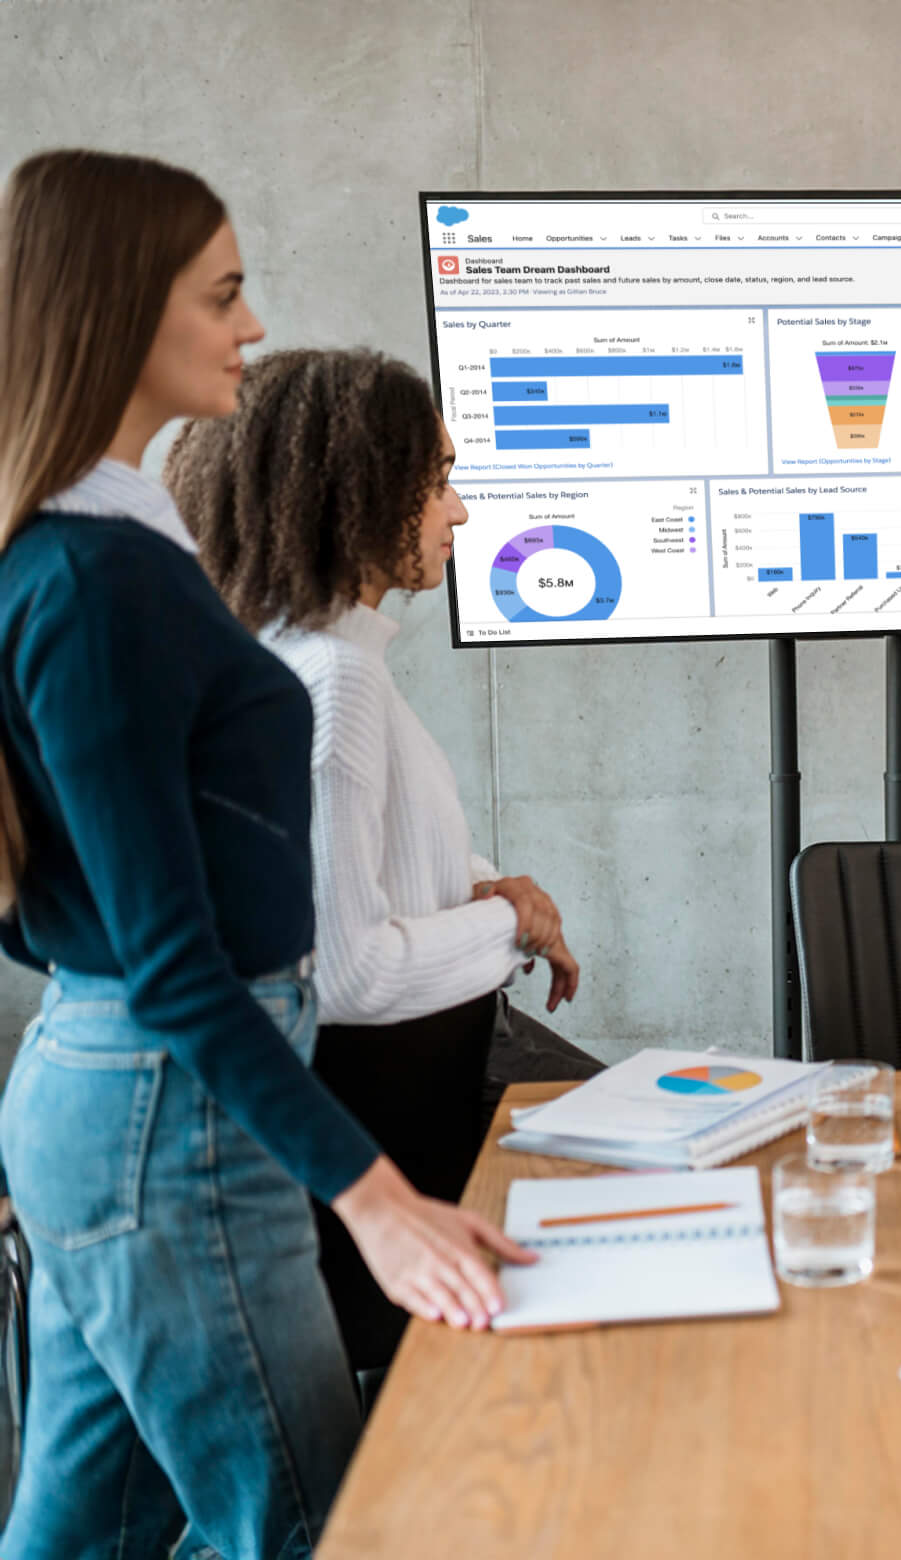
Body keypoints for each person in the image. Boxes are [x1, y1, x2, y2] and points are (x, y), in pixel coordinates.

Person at [0, 150, 529, 1560]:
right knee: (312, 1520)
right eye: (223, 295)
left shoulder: (104, 546)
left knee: (86, 1530)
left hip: (113, 1097)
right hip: (167, 1121)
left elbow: (55, 909)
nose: (251, 328)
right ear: (117, 314)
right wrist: (378, 1202)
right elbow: (176, 963)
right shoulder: (92, 580)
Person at [168, 348, 583, 1375]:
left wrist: (489, 888)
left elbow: (376, 863)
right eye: (438, 481)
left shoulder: (319, 661)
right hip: (384, 1120)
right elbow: (344, 971)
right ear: (360, 495)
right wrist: (509, 918)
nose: (460, 513)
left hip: (401, 1105)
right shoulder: (333, 684)